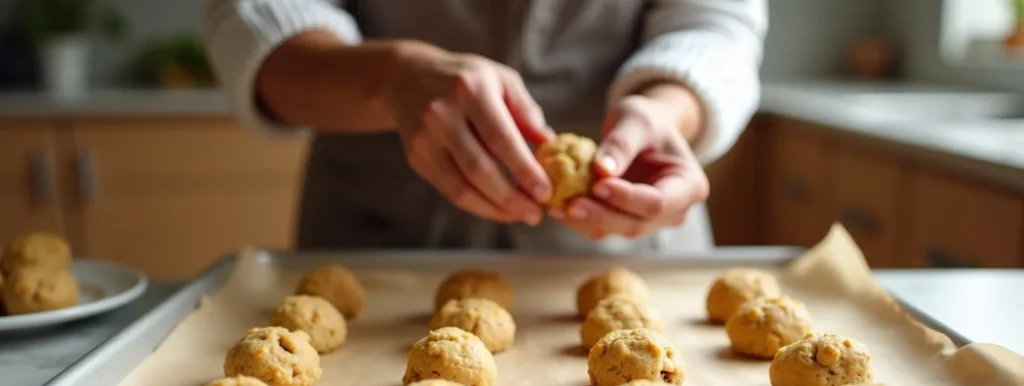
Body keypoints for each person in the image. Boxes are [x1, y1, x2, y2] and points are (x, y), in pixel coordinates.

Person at [204, 0, 767, 253]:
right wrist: (393, 79)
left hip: (625, 242)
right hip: (379, 250)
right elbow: (253, 22)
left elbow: (717, 25)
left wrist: (668, 108)